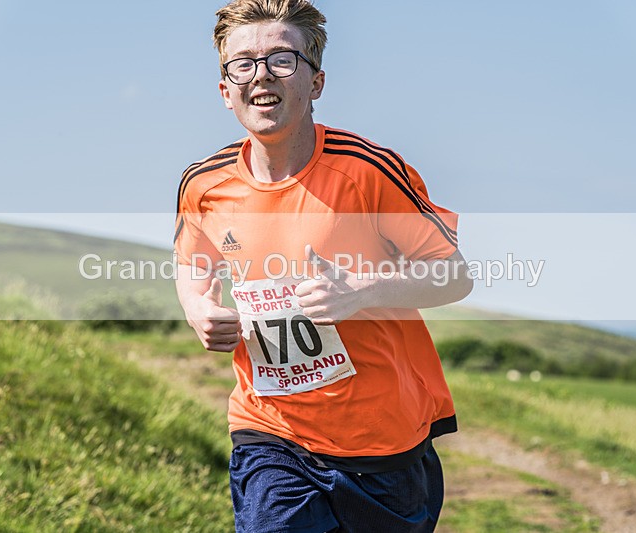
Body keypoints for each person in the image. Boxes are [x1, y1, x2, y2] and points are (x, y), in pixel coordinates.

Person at [173, 1, 473, 531]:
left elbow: (453, 274)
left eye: (283, 59)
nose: (261, 74)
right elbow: (192, 261)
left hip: (383, 439)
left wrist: (360, 291)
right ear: (225, 90)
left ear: (316, 83)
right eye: (242, 63)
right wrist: (199, 307)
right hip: (269, 429)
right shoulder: (204, 184)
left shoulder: (369, 172)